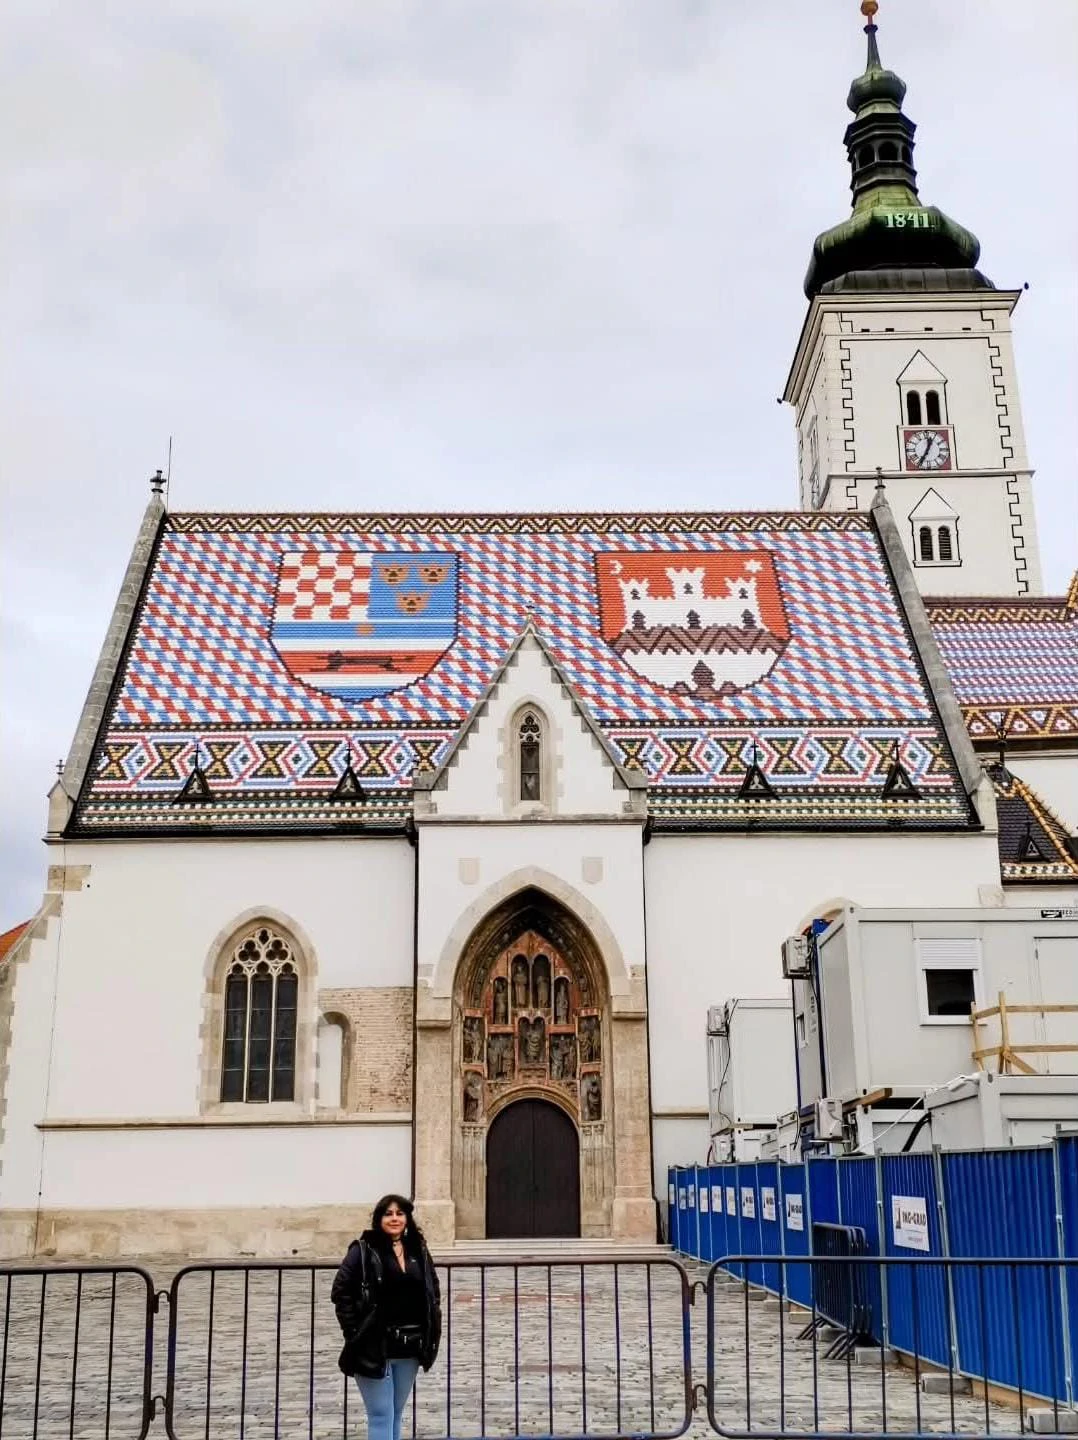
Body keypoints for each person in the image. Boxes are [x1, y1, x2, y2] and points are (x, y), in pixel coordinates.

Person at [331, 1195, 442, 1440]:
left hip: (410, 1344)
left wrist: (431, 1326)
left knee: (395, 1412)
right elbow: (341, 1292)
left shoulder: (418, 1249)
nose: (394, 1219)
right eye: (388, 1214)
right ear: (378, 1218)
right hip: (373, 1344)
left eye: (400, 1213)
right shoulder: (363, 1250)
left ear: (407, 1218)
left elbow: (432, 1288)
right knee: (380, 1414)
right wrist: (354, 1331)